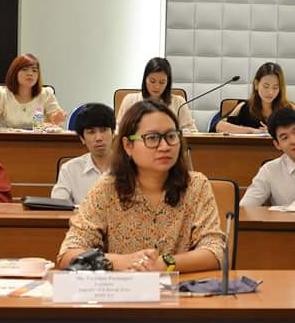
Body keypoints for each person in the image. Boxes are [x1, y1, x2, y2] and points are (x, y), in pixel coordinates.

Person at [57, 100, 224, 272]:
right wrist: (122, 261)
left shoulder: (196, 185)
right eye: (152, 138)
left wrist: (164, 263)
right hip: (124, 286)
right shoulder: (108, 188)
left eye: (171, 136)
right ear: (128, 146)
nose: (165, 146)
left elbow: (215, 251)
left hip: (180, 287)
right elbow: (68, 254)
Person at [215, 62, 295, 135]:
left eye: (275, 87)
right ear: (256, 84)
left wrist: (276, 130)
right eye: (266, 86)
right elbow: (220, 126)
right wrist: (253, 131)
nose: (270, 92)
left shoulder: (288, 107)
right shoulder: (244, 107)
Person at [0, 53, 66, 129]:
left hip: (38, 142)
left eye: (34, 70)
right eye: (25, 69)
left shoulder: (46, 94)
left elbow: (56, 121)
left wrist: (55, 122)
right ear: (15, 73)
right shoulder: (3, 95)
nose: (30, 73)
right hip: (8, 142)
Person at [51, 103, 115, 204]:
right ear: (82, 138)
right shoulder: (69, 169)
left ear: (113, 133)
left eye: (103, 130)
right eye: (91, 132)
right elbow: (58, 205)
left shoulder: (130, 167)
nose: (98, 138)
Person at [116, 57, 197, 132]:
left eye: (162, 82)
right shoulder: (130, 100)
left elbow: (191, 131)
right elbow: (118, 130)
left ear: (168, 82)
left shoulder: (179, 102)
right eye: (152, 81)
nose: (157, 86)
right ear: (145, 79)